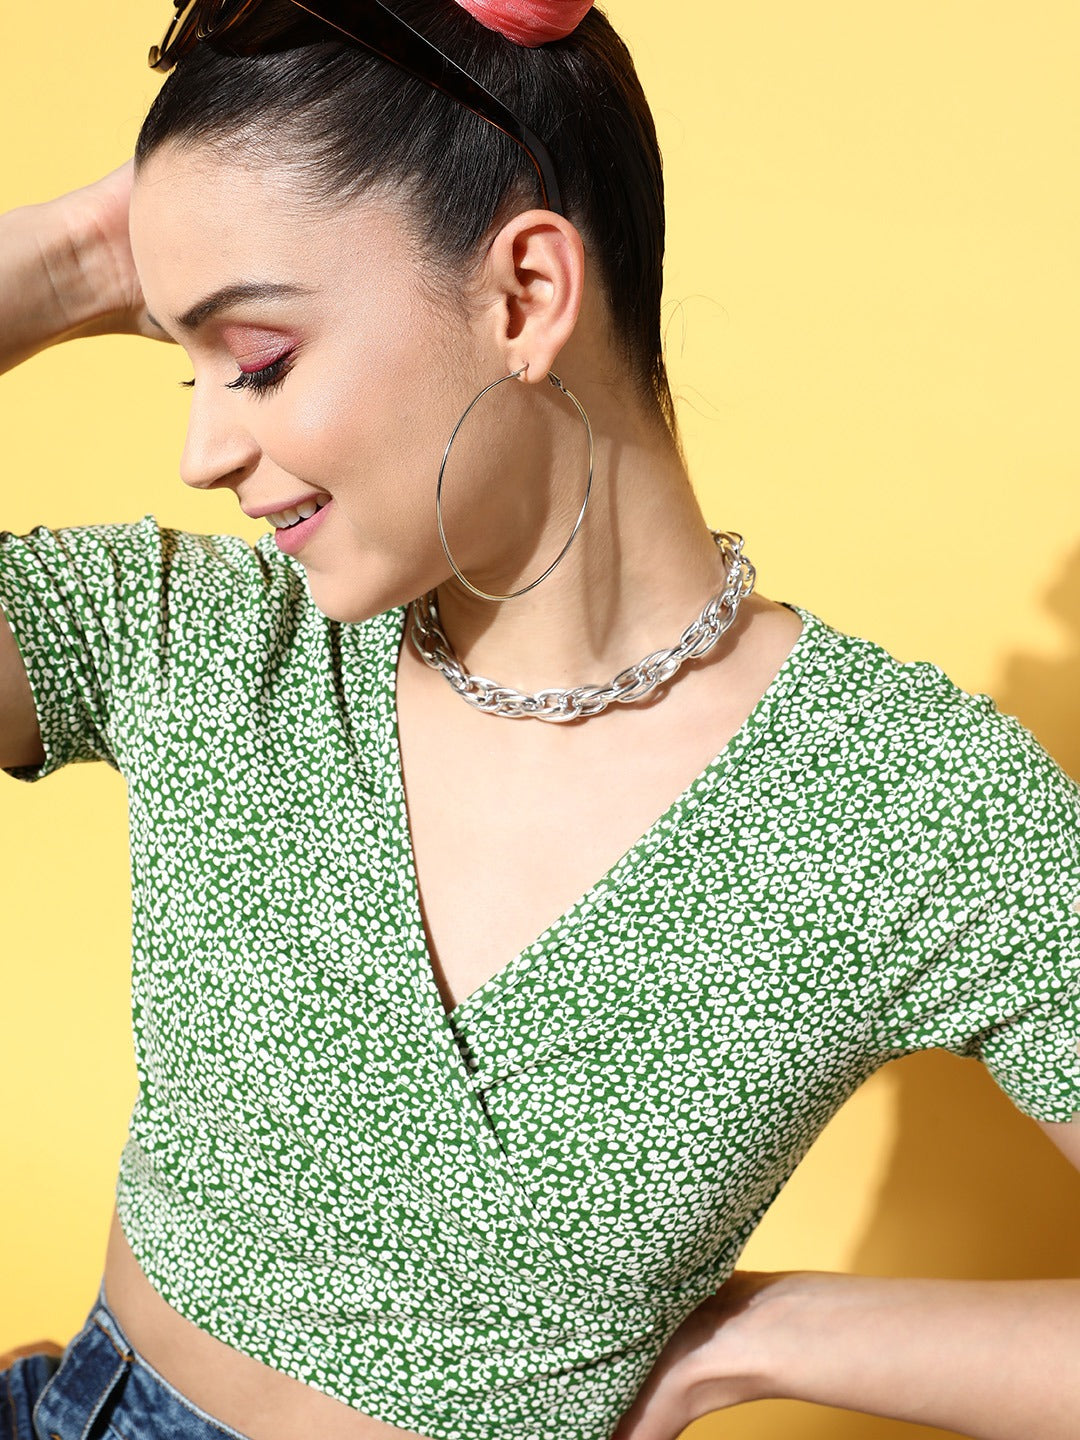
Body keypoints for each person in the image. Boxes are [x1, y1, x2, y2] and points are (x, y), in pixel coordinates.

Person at [0, 2, 1077, 1439]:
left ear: (523, 295)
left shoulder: (910, 808)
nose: (201, 449)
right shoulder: (199, 640)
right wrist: (74, 257)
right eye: (179, 358)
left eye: (254, 359)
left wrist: (763, 1338)